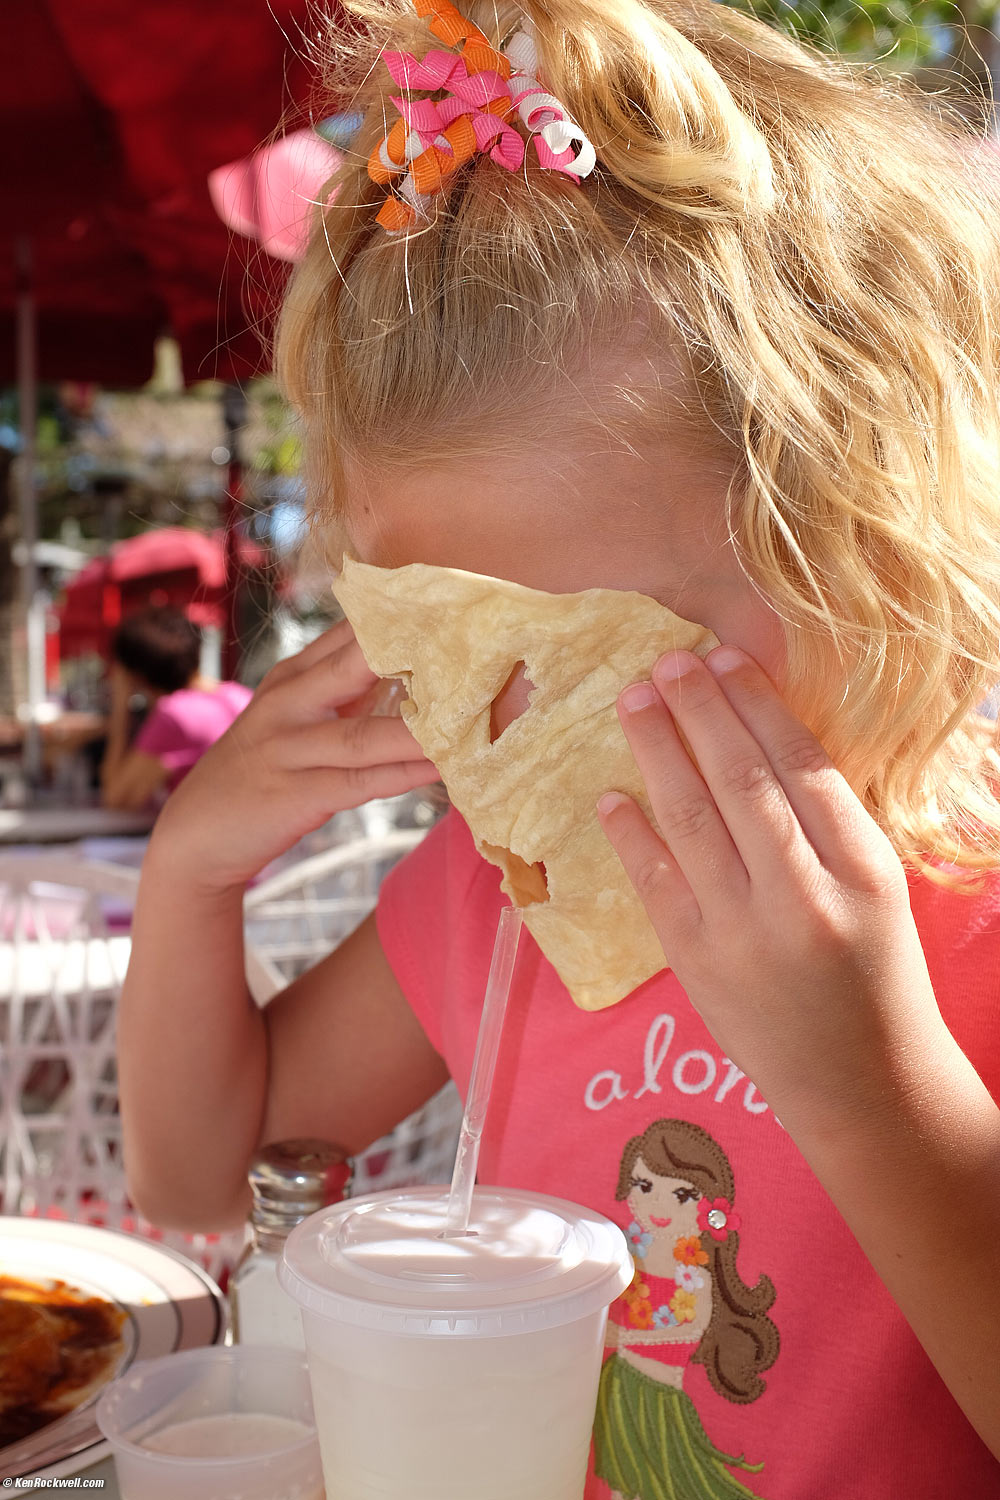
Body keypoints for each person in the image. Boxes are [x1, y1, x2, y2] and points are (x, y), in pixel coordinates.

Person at [117, 0, 1000, 1494]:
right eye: (446, 656)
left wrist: (865, 1078)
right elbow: (207, 1174)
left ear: (868, 548)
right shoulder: (491, 887)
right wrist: (193, 871)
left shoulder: (970, 920)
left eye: (601, 650)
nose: (517, 743)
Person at [101, 605, 252, 810]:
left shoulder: (174, 715)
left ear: (136, 674)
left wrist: (120, 707)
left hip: (208, 836)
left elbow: (116, 798)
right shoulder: (242, 697)